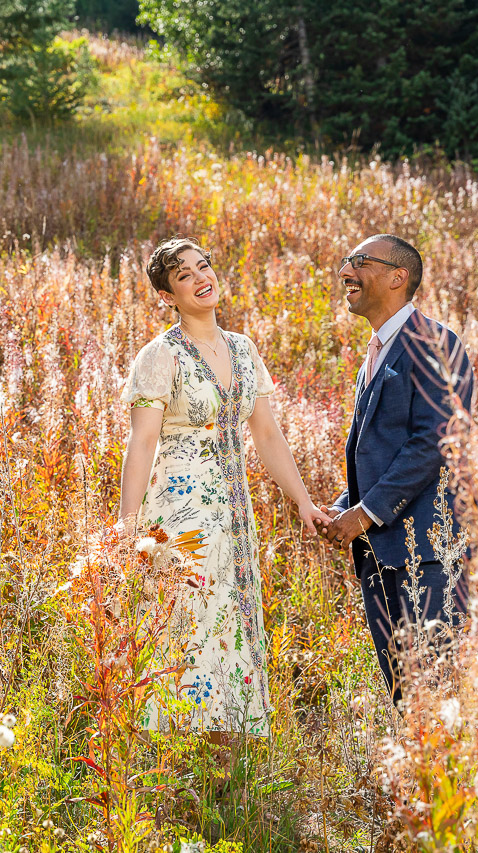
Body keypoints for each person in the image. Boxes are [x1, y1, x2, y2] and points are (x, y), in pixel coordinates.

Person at [118, 236, 330, 741]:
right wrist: (126, 530)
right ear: (168, 295)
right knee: (188, 622)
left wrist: (303, 501)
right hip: (179, 513)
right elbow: (141, 443)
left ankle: (229, 747)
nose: (200, 278)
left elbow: (267, 434)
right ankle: (176, 749)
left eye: (204, 266)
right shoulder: (159, 355)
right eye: (184, 275)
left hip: (234, 513)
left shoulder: (241, 348)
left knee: (231, 621)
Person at [317, 234, 474, 706]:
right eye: (345, 260)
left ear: (397, 276)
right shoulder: (378, 349)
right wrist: (343, 507)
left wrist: (364, 514)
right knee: (407, 696)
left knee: (439, 695)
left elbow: (434, 442)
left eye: (359, 262)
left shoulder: (435, 343)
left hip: (428, 554)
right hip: (381, 554)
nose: (346, 271)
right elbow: (384, 448)